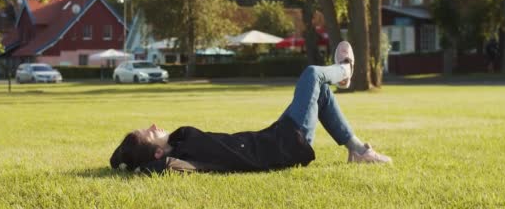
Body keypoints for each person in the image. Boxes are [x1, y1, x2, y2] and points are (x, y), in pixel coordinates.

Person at [110, 41, 392, 173]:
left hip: (272, 136)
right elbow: (158, 169)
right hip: (282, 146)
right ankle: (344, 70)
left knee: (320, 94)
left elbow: (141, 158)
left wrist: (124, 159)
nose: (153, 125)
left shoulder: (181, 141)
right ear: (158, 152)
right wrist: (137, 166)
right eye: (150, 133)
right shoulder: (181, 159)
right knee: (313, 75)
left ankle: (359, 151)